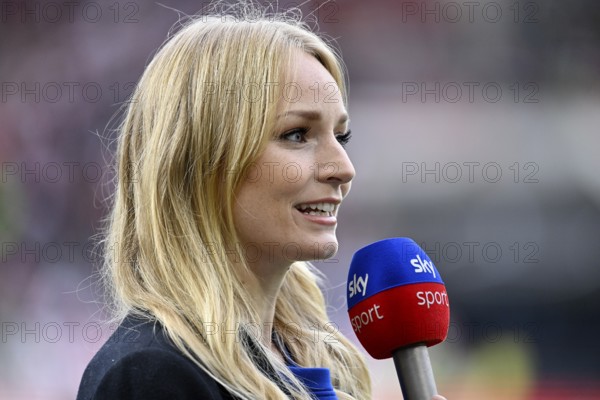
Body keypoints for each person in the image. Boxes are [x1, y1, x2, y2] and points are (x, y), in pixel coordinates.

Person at [77, 3, 448, 399]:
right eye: (297, 134)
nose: (343, 168)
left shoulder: (314, 364)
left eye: (341, 136)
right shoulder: (151, 375)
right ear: (202, 159)